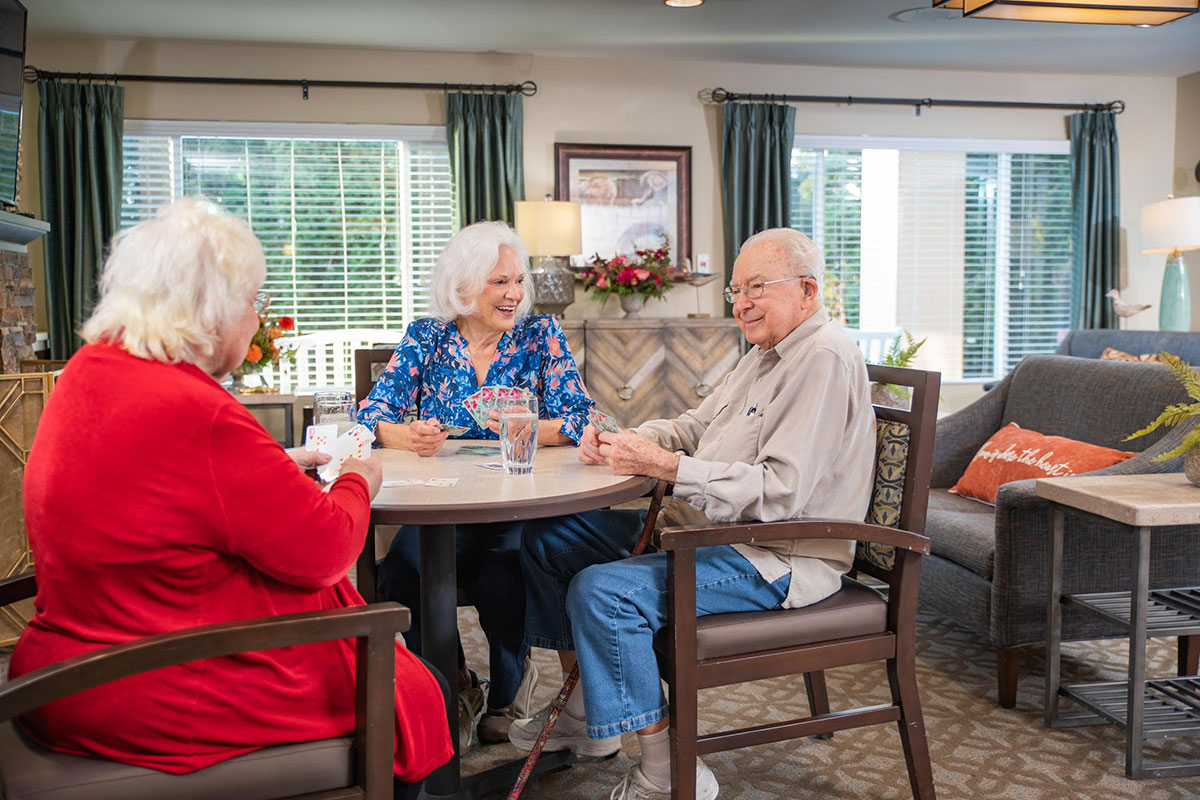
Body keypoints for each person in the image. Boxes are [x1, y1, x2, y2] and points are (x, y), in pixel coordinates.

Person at [9, 198, 453, 798]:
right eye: (253, 302)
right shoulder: (195, 409)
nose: (257, 321)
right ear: (210, 312)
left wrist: (271, 466)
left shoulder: (91, 370)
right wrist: (357, 478)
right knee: (412, 683)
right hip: (155, 681)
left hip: (77, 659)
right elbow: (324, 549)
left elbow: (169, 495)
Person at [511, 228, 877, 800]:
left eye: (757, 287)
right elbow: (695, 427)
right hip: (707, 533)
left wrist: (669, 468)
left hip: (774, 557)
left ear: (807, 290)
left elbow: (780, 492)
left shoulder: (823, 358)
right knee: (550, 536)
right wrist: (622, 438)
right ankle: (587, 716)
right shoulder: (765, 353)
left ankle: (669, 771)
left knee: (603, 592)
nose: (742, 304)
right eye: (735, 290)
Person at [358, 220, 593, 748]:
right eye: (499, 282)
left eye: (517, 281)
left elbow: (581, 418)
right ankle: (456, 683)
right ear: (463, 287)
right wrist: (407, 435)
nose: (515, 294)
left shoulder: (541, 336)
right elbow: (372, 414)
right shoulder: (427, 336)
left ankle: (511, 690)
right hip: (444, 504)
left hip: (516, 504)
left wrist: (528, 427)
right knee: (403, 570)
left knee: (504, 573)